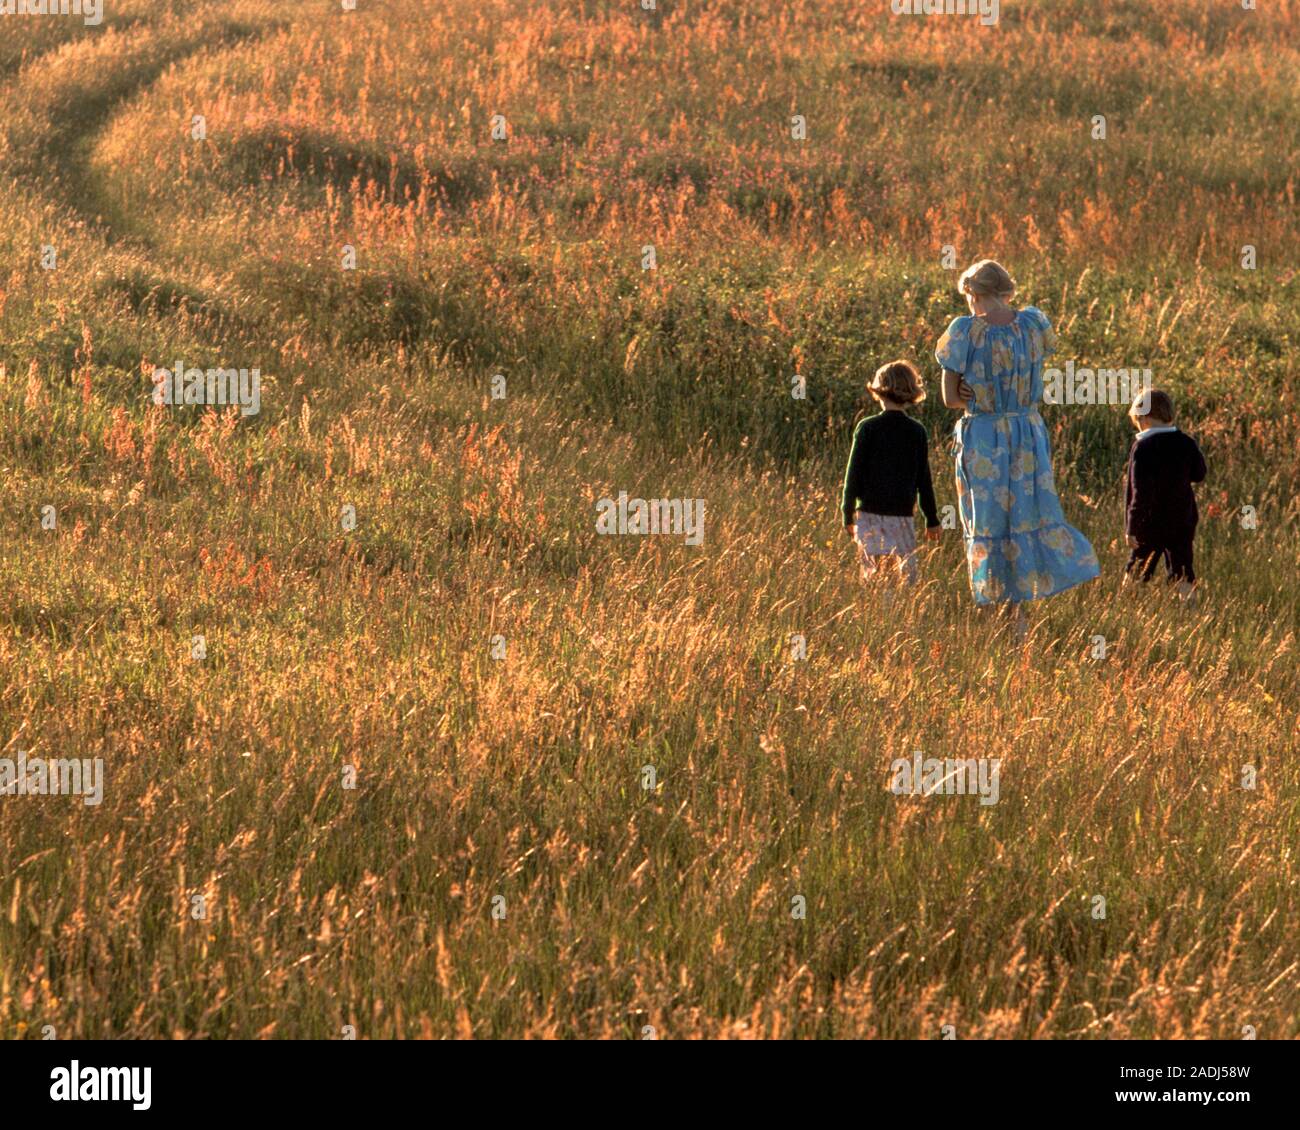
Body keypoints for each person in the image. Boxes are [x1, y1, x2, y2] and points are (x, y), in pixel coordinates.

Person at [935, 259, 1099, 619]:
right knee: (1026, 515)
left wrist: (974, 393)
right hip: (1027, 432)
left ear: (974, 293)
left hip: (985, 436)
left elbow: (950, 399)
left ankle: (1000, 610)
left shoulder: (966, 331)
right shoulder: (1031, 325)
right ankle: (1022, 609)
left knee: (988, 520)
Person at [841, 359, 941, 584]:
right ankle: (897, 614)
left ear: (879, 391)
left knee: (874, 576)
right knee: (904, 578)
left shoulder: (867, 428)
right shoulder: (916, 431)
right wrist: (931, 519)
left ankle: (879, 615)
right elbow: (924, 481)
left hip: (869, 514)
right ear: (911, 392)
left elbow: (853, 475)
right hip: (902, 516)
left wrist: (847, 512)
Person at [1124, 388, 1207, 600]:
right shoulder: (1187, 443)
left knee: (1137, 570)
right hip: (1182, 519)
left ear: (1144, 417)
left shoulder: (1143, 447)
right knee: (1182, 569)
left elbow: (1139, 493)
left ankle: (1127, 607)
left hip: (1149, 522)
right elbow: (1199, 474)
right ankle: (1191, 610)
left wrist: (1132, 527)